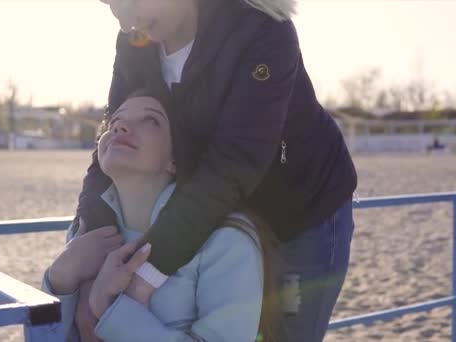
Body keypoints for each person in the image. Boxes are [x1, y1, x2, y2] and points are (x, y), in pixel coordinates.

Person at [76, 0, 357, 340]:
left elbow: (234, 162)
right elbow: (109, 145)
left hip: (300, 215)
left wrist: (142, 275)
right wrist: (96, 262)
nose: (124, 21)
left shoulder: (263, 32)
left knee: (281, 334)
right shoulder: (136, 41)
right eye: (109, 3)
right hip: (214, 215)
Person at [43, 90, 281, 341]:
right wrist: (59, 280)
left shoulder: (225, 241)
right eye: (115, 121)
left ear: (175, 159)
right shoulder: (84, 234)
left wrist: (113, 310)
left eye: (150, 120)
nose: (120, 126)